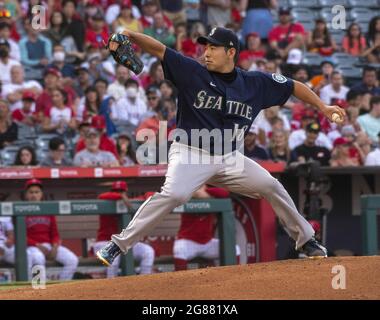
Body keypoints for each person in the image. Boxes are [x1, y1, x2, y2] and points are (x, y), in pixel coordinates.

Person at [96, 26, 347, 266]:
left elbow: (294, 86)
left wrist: (323, 107)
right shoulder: (192, 72)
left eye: (213, 47)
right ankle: (118, 244)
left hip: (230, 157)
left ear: (230, 52)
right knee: (175, 194)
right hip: (191, 153)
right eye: (205, 47)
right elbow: (159, 49)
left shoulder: (255, 83)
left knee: (271, 185)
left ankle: (306, 241)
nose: (206, 52)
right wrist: (129, 34)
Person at [92, 181, 155, 277]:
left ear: (126, 191)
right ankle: (110, 285)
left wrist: (146, 198)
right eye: (116, 191)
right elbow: (103, 196)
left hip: (125, 244)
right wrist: (120, 196)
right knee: (113, 255)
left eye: (121, 191)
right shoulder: (106, 199)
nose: (119, 193)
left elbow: (151, 194)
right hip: (104, 242)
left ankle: (144, 281)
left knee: (148, 251)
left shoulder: (129, 202)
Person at [173, 185, 240, 271]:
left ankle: (235, 276)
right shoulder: (186, 195)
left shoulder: (208, 191)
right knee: (179, 249)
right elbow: (190, 193)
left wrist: (206, 190)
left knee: (234, 248)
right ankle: (180, 280)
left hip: (207, 242)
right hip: (188, 241)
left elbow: (224, 193)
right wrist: (198, 192)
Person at [23, 179, 79, 281]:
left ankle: (61, 287)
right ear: (26, 195)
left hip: (49, 245)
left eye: (37, 192)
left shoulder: (48, 209)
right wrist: (37, 245)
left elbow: (55, 233)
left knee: (72, 260)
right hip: (31, 247)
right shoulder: (22, 210)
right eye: (31, 192)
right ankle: (39, 290)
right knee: (38, 258)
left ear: (41, 194)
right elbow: (20, 236)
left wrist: (55, 246)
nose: (34, 195)